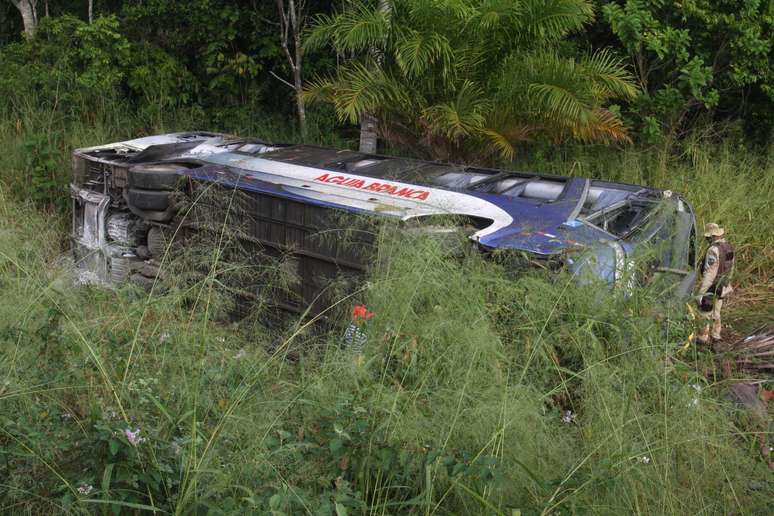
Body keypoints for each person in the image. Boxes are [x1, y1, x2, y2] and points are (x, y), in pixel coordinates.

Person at [696, 223, 735, 345]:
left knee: (704, 312)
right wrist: (726, 284)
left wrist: (701, 293)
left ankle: (702, 338)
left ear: (711, 236)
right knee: (716, 311)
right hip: (722, 286)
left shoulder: (713, 250)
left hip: (712, 287)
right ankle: (716, 335)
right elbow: (731, 268)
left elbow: (709, 273)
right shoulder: (729, 247)